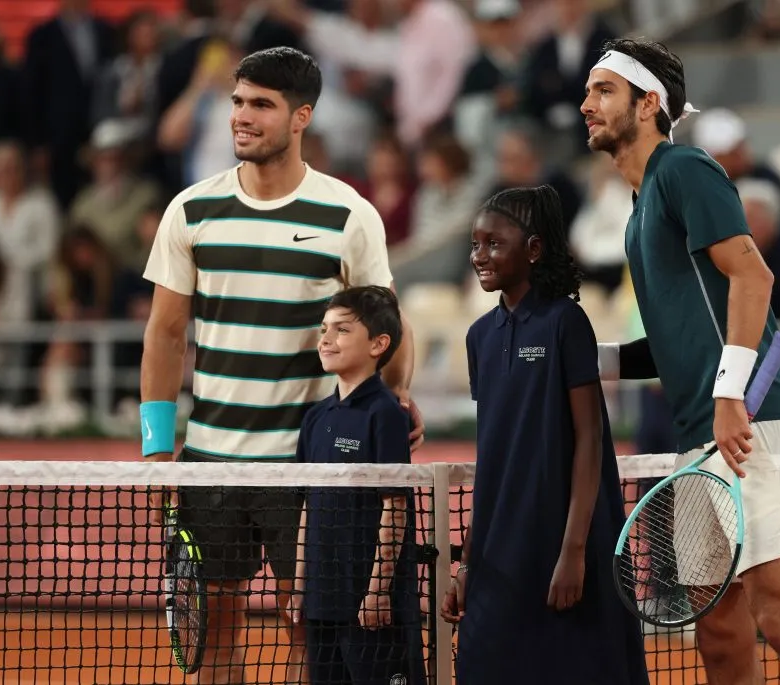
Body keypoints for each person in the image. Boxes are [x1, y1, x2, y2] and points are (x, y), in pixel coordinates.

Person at [140, 47, 423, 685]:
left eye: (260, 105)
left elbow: (388, 323)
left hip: (309, 465)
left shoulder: (350, 214)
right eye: (238, 101)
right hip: (210, 461)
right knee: (216, 641)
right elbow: (164, 331)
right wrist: (158, 447)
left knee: (308, 637)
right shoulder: (190, 210)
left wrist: (394, 396)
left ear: (302, 117)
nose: (242, 116)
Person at [584, 38, 780, 685]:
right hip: (702, 436)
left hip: (757, 420)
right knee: (721, 632)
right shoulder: (636, 210)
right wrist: (589, 362)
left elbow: (753, 278)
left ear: (650, 103)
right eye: (589, 90)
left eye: (603, 91)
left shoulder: (684, 169)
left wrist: (730, 396)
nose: (586, 103)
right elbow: (677, 340)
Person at [439, 185, 649, 685]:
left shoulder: (565, 322)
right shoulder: (477, 338)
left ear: (533, 250)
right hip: (498, 547)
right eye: (475, 244)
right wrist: (468, 563)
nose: (479, 256)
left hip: (566, 539)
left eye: (495, 244)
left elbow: (589, 438)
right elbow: (494, 454)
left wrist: (574, 550)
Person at [288, 285, 425, 685]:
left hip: (372, 606)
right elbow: (307, 507)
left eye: (342, 330)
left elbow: (395, 507)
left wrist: (378, 590)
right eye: (323, 329)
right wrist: (300, 588)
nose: (326, 339)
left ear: (378, 344)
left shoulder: (385, 415)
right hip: (321, 603)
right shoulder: (315, 418)